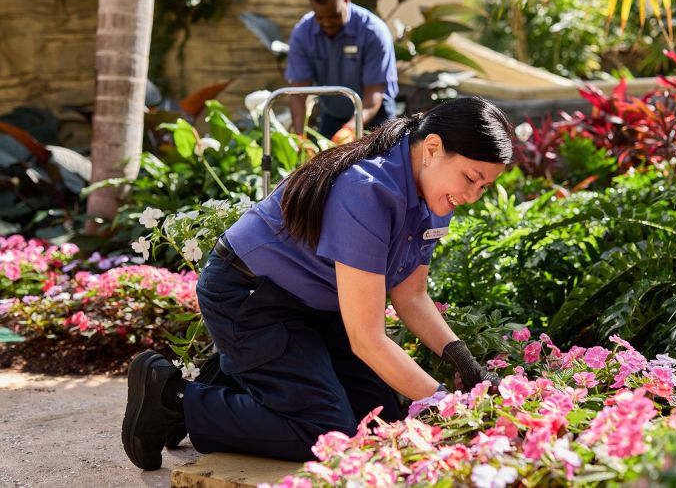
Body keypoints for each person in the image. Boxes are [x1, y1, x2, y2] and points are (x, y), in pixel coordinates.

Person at [122, 96, 514, 471]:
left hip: (317, 307)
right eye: (470, 178)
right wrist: (448, 406)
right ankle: (172, 398)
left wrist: (465, 363)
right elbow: (367, 339)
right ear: (432, 148)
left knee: (380, 423)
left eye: (484, 187)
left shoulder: (437, 195)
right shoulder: (368, 190)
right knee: (325, 433)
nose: (472, 196)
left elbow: (411, 295)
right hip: (250, 294)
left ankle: (243, 380)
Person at [285, 0, 397, 140]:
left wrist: (349, 130)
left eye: (334, 16)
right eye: (320, 18)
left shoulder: (373, 32)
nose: (327, 23)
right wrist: (300, 137)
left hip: (374, 114)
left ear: (346, 0)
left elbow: (374, 94)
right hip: (332, 114)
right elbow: (298, 92)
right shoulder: (302, 34)